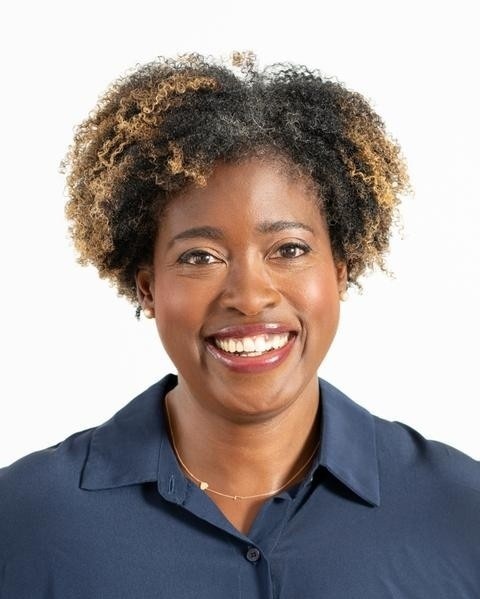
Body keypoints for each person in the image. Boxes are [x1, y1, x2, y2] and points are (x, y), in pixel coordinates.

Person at [0, 52, 478, 598]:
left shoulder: (461, 513)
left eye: (289, 249)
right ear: (148, 288)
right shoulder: (23, 523)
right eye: (200, 257)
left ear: (339, 273)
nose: (250, 297)